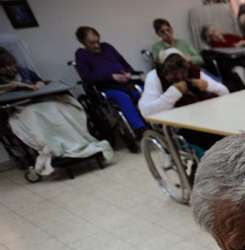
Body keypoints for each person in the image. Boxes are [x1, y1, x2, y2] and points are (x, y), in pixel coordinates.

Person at [0, 47, 113, 175]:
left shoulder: (25, 72)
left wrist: (39, 85)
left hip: (41, 102)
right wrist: (14, 86)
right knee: (34, 115)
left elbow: (40, 81)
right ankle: (56, 150)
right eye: (4, 67)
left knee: (57, 108)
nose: (10, 68)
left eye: (11, 64)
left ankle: (78, 144)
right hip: (21, 108)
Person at [138, 49, 229, 152]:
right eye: (173, 74)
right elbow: (146, 111)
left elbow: (224, 91)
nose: (180, 77)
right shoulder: (155, 77)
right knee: (210, 140)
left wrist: (208, 86)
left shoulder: (193, 71)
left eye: (182, 72)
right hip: (181, 126)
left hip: (205, 117)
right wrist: (174, 93)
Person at [73, 26, 145, 140]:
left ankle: (157, 122)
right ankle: (141, 130)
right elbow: (87, 77)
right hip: (106, 87)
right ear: (83, 42)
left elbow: (125, 64)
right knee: (123, 97)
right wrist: (112, 77)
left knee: (145, 90)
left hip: (126, 83)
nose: (96, 45)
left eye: (97, 41)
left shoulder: (107, 47)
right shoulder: (81, 55)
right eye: (92, 43)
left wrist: (128, 73)